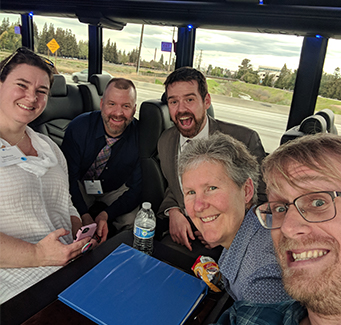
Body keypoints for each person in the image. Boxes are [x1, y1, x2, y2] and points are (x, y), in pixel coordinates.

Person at [215, 133, 341, 324]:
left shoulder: (258, 283)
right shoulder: (246, 317)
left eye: (318, 202)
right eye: (280, 208)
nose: (288, 228)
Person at [0, 47, 91, 304]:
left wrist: (79, 233)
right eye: (22, 85)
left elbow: (65, 201)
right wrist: (39, 255)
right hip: (14, 281)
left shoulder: (48, 147)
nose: (32, 97)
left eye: (42, 91)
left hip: (67, 266)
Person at [157, 66, 266, 254]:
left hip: (234, 245)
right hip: (186, 236)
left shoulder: (244, 140)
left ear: (206, 101)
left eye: (189, 99)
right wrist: (173, 211)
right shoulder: (165, 141)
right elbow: (173, 187)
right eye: (173, 102)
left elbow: (263, 201)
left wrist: (225, 232)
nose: (181, 109)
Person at [179, 132, 289, 303]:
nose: (198, 206)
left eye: (212, 188)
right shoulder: (247, 232)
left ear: (246, 191)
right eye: (191, 192)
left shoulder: (261, 281)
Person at [62, 78, 142, 239]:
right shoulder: (79, 128)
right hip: (81, 183)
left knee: (135, 221)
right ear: (102, 104)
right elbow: (67, 177)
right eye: (111, 104)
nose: (118, 113)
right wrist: (83, 214)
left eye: (125, 106)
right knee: (67, 216)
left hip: (115, 187)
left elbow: (136, 189)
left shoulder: (142, 136)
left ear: (134, 110)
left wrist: (106, 214)